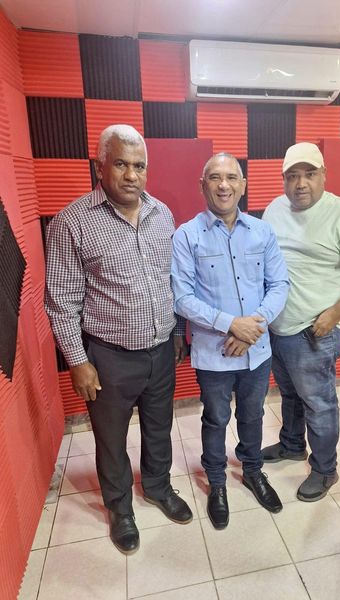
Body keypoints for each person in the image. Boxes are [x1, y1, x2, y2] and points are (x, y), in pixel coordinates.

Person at [44, 124, 193, 555]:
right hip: (108, 357)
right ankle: (120, 508)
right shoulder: (73, 222)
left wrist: (177, 331)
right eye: (121, 164)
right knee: (110, 439)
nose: (131, 175)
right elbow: (61, 301)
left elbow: (171, 282)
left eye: (139, 166)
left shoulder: (162, 213)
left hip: (161, 350)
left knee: (160, 427)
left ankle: (158, 487)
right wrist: (78, 361)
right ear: (100, 167)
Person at [262, 142, 340, 502]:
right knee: (290, 394)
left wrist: (335, 314)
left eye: (309, 174)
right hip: (278, 327)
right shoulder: (274, 209)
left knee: (318, 403)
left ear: (324, 175)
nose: (301, 183)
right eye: (292, 176)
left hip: (314, 331)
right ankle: (291, 445)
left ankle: (325, 469)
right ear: (284, 179)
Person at [171, 153, 290, 529]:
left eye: (231, 177)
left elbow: (279, 284)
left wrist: (252, 327)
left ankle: (253, 471)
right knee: (216, 418)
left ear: (242, 185)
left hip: (257, 349)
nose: (224, 185)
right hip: (214, 352)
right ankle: (217, 482)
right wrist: (231, 325)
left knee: (253, 415)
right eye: (215, 177)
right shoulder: (186, 235)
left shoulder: (262, 232)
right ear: (202, 185)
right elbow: (182, 297)